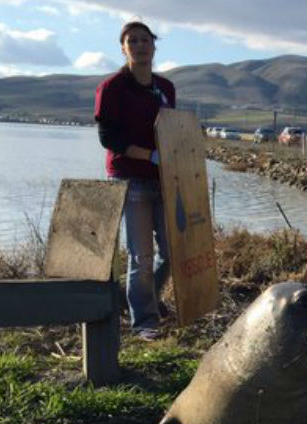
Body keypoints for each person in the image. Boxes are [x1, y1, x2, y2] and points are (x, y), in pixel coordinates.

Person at [94, 21, 175, 341]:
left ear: (154, 46)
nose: (140, 45)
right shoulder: (113, 87)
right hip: (129, 180)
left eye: (145, 39)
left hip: (164, 179)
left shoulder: (166, 88)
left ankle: (145, 301)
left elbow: (170, 130)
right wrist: (148, 156)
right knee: (140, 255)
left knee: (170, 252)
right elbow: (108, 137)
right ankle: (144, 321)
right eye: (132, 40)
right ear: (123, 48)